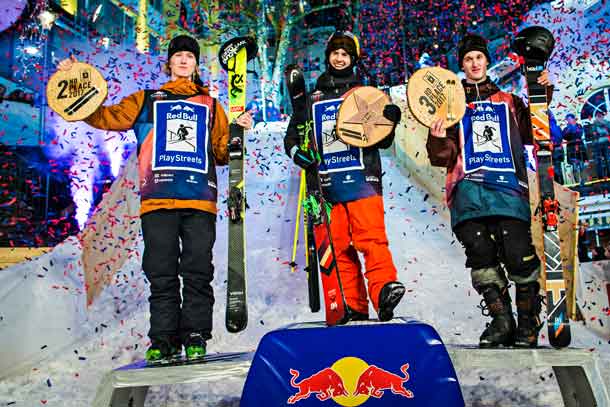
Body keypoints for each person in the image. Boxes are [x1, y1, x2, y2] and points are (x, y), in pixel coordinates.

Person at [57, 35, 252, 361]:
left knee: (197, 271)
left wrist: (236, 130)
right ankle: (162, 340)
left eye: (190, 56)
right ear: (169, 63)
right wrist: (75, 82)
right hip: (158, 200)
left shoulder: (211, 105)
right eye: (179, 56)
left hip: (198, 200)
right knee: (161, 273)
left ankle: (195, 335)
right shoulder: (145, 100)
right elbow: (107, 117)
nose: (184, 60)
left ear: (195, 64)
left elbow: (221, 153)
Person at [426, 34, 553, 348]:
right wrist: (438, 136)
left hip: (507, 191)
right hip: (469, 194)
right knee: (481, 256)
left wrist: (542, 90)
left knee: (518, 255)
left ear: (485, 61)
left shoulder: (509, 101)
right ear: (463, 65)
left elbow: (533, 131)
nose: (474, 64)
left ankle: (527, 322)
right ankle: (501, 321)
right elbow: (440, 156)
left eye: (478, 58)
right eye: (468, 59)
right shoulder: (451, 107)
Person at [284, 31, 405, 323]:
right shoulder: (312, 98)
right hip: (323, 185)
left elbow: (383, 141)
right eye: (336, 53)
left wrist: (389, 120)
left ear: (354, 59)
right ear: (328, 56)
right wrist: (297, 154)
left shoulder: (366, 93)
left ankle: (383, 291)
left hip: (363, 179)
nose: (340, 58)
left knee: (372, 238)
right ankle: (350, 305)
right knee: (336, 247)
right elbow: (292, 137)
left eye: (346, 54)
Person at [562, 113, 587, 184]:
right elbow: (564, 136)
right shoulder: (566, 128)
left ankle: (583, 182)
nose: (568, 121)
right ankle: (577, 183)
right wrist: (570, 129)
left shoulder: (579, 126)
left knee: (582, 166)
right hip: (571, 148)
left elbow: (580, 133)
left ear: (573, 119)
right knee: (575, 167)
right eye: (567, 120)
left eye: (569, 119)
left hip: (580, 147)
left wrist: (573, 129)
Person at [590, 110, 610, 179]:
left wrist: (602, 123)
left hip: (606, 142)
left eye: (600, 115)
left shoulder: (606, 122)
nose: (599, 117)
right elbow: (592, 134)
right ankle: (601, 176)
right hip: (597, 144)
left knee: (608, 159)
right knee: (598, 160)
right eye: (597, 115)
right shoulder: (594, 124)